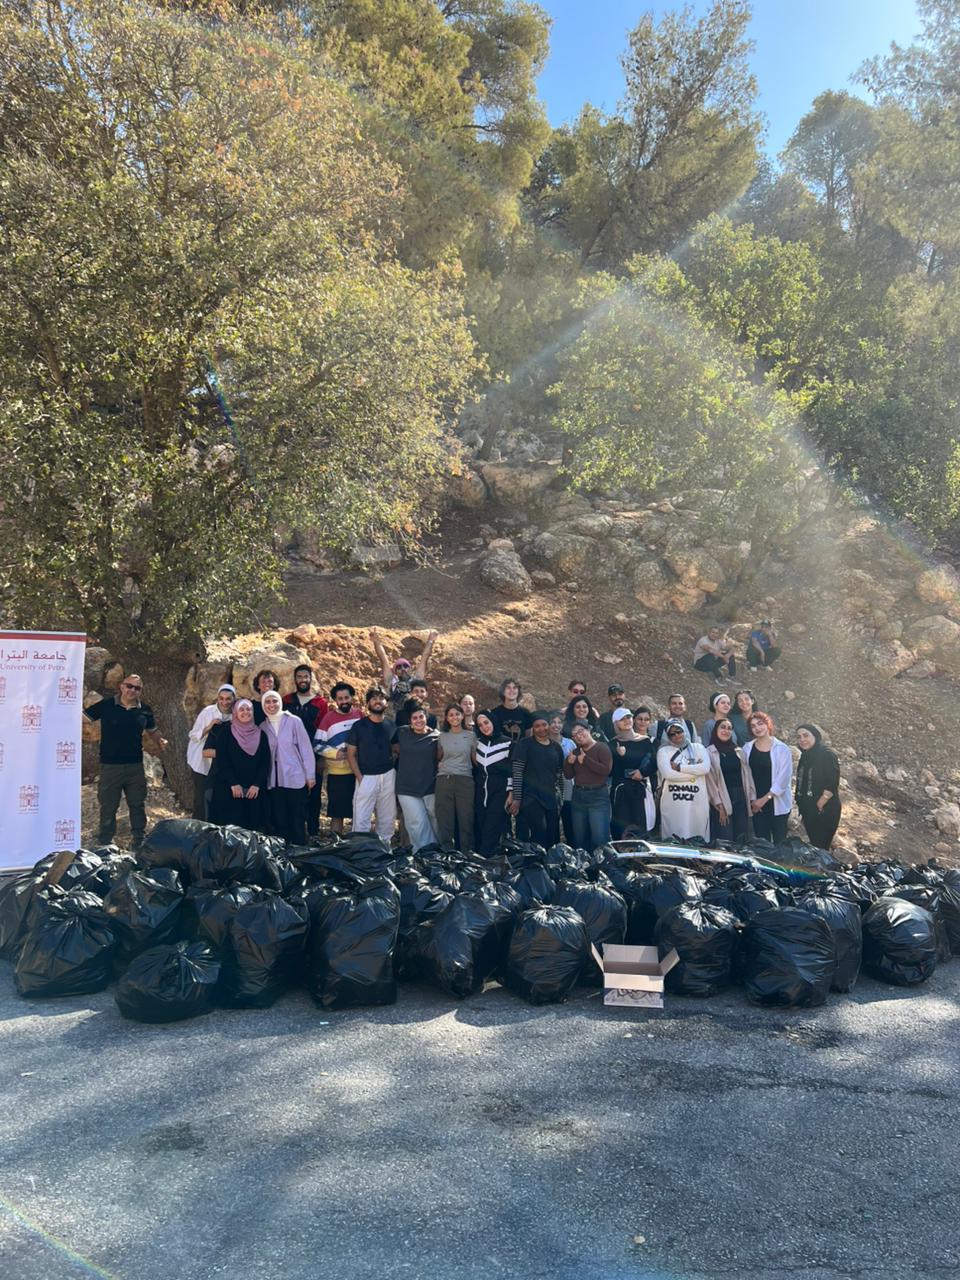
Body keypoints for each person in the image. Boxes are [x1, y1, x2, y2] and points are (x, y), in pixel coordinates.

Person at [84, 673, 168, 851]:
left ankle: (138, 841)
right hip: (110, 766)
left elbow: (153, 730)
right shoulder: (107, 705)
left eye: (137, 688)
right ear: (121, 686)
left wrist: (160, 740)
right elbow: (84, 718)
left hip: (135, 766)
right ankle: (105, 843)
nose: (132, 690)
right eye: (129, 686)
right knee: (108, 805)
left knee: (137, 804)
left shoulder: (145, 710)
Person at [205, 699, 271, 831]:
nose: (245, 712)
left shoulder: (261, 734)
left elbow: (265, 762)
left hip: (253, 791)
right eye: (241, 709)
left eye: (248, 709)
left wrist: (256, 784)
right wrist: (233, 783)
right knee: (229, 829)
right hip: (229, 789)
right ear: (235, 713)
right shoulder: (226, 732)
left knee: (252, 829)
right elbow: (222, 760)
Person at [260, 690, 315, 845]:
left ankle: (300, 851)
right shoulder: (263, 727)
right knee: (280, 819)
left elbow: (305, 748)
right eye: (267, 702)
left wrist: (310, 775)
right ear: (263, 705)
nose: (271, 705)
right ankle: (284, 854)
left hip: (295, 777)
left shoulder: (293, 721)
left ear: (280, 702)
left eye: (274, 701)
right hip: (274, 780)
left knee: (297, 818)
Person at [346, 687, 398, 841]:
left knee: (387, 818)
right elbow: (350, 754)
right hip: (366, 777)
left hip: (388, 776)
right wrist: (360, 777)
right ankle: (360, 851)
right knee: (361, 820)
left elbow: (396, 750)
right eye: (374, 698)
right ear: (368, 703)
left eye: (381, 698)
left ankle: (384, 850)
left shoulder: (391, 725)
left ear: (386, 703)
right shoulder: (359, 726)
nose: (377, 701)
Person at [282, 665, 328, 836]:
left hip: (313, 755)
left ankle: (313, 833)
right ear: (295, 679)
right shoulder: (286, 701)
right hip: (290, 757)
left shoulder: (320, 703)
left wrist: (321, 758)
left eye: (305, 676)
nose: (303, 680)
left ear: (311, 678)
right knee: (294, 794)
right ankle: (295, 832)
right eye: (299, 676)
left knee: (314, 795)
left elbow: (324, 731)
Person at [509, 711, 563, 847]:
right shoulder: (524, 744)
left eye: (544, 725)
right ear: (533, 728)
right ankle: (536, 860)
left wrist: (560, 798)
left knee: (552, 834)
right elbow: (517, 772)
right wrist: (517, 798)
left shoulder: (556, 747)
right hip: (530, 797)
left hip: (550, 797)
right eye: (537, 726)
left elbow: (559, 774)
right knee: (539, 833)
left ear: (548, 725)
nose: (541, 728)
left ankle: (551, 860)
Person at [314, 682, 362, 836]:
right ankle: (336, 844)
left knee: (359, 811)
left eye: (346, 698)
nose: (344, 701)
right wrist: (336, 753)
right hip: (337, 774)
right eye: (340, 699)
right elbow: (317, 744)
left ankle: (357, 843)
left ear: (352, 697)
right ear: (335, 700)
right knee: (337, 813)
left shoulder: (359, 715)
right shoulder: (328, 719)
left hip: (359, 772)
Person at [185, 683, 235, 820]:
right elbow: (193, 735)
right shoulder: (208, 712)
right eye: (221, 698)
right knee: (201, 800)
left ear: (233, 699)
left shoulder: (235, 714)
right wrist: (209, 726)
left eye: (228, 699)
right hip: (202, 762)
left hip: (221, 763)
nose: (224, 702)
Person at [742, 711, 793, 843]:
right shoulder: (747, 749)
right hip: (756, 804)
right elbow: (746, 776)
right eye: (753, 726)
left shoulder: (782, 749)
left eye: (760, 724)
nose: (757, 728)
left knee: (780, 843)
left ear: (768, 724)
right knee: (762, 844)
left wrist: (764, 800)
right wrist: (754, 800)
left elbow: (783, 781)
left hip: (777, 802)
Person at [394, 708, 440, 852]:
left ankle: (439, 852)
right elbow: (392, 747)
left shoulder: (437, 736)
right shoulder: (402, 732)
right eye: (415, 718)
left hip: (431, 786)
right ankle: (423, 854)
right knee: (416, 822)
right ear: (410, 721)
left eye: (421, 717)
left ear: (426, 718)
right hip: (406, 787)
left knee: (435, 820)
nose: (419, 720)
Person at [657, 720, 711, 842]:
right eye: (672, 734)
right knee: (674, 838)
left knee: (697, 835)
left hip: (696, 801)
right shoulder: (663, 751)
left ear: (684, 731)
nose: (676, 735)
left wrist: (680, 768)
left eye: (679, 731)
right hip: (674, 803)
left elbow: (705, 768)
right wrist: (695, 774)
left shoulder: (698, 748)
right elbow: (668, 774)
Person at [369, 626, 439, 719]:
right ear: (395, 671)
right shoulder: (391, 680)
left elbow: (424, 657)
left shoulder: (416, 680)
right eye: (399, 667)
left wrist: (430, 641)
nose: (403, 669)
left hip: (416, 717)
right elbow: (383, 657)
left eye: (405, 666)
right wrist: (376, 642)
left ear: (410, 669)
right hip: (396, 718)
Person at [609, 707, 657, 839]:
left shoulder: (644, 741)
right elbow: (610, 771)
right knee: (621, 830)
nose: (627, 721)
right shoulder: (613, 744)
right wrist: (620, 756)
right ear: (616, 723)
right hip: (620, 791)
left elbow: (653, 762)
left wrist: (642, 772)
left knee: (640, 829)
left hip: (639, 790)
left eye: (628, 717)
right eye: (622, 719)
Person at [564, 721, 613, 849]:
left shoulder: (602, 747)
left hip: (598, 796)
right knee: (579, 837)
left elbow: (606, 771)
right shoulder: (575, 752)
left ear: (588, 730)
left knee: (599, 836)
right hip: (578, 796)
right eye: (575, 735)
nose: (579, 736)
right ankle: (583, 861)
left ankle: (601, 861)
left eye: (581, 731)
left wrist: (586, 760)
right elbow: (568, 775)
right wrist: (569, 763)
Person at [435, 703, 476, 851]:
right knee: (445, 820)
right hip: (444, 780)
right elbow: (438, 757)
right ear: (447, 718)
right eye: (451, 715)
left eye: (457, 714)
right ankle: (447, 854)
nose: (454, 717)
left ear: (462, 716)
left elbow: (475, 760)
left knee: (466, 819)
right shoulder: (442, 736)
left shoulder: (471, 736)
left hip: (465, 780)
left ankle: (467, 853)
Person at [706, 719, 753, 843]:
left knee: (741, 837)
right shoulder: (710, 752)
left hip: (741, 798)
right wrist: (718, 804)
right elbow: (710, 781)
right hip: (723, 798)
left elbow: (747, 776)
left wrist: (751, 798)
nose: (726, 731)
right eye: (722, 727)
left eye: (729, 728)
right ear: (716, 730)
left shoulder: (739, 751)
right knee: (725, 838)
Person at [796, 723, 842, 849]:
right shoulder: (805, 755)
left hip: (825, 810)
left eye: (806, 735)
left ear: (815, 736)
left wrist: (820, 804)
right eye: (799, 737)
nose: (802, 739)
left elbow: (832, 782)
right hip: (808, 809)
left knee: (821, 845)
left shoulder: (827, 754)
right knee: (815, 844)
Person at [473, 711, 512, 856]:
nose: (484, 727)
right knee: (481, 826)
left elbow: (512, 771)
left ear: (493, 722)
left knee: (492, 827)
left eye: (486, 722)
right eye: (480, 725)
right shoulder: (477, 743)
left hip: (500, 792)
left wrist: (511, 792)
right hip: (480, 791)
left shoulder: (508, 743)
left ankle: (485, 860)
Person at [548, 711, 577, 843]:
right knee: (553, 818)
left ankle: (572, 845)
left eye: (559, 722)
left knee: (568, 816)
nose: (556, 725)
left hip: (567, 783)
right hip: (550, 783)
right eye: (553, 722)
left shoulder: (569, 743)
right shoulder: (544, 742)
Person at [490, 678, 533, 744]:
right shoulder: (495, 713)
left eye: (514, 688)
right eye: (508, 688)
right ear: (503, 692)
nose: (511, 690)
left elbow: (528, 737)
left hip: (520, 749)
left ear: (518, 692)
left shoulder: (526, 713)